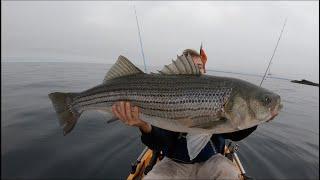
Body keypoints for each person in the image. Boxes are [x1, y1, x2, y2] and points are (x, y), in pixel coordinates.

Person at [112, 47, 257, 179]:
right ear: (179, 73)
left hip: (211, 162)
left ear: (204, 70)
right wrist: (144, 126)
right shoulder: (167, 95)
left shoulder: (218, 96)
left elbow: (235, 134)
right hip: (174, 164)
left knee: (229, 174)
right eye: (191, 67)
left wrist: (256, 118)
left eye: (199, 67)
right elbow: (160, 143)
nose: (194, 72)